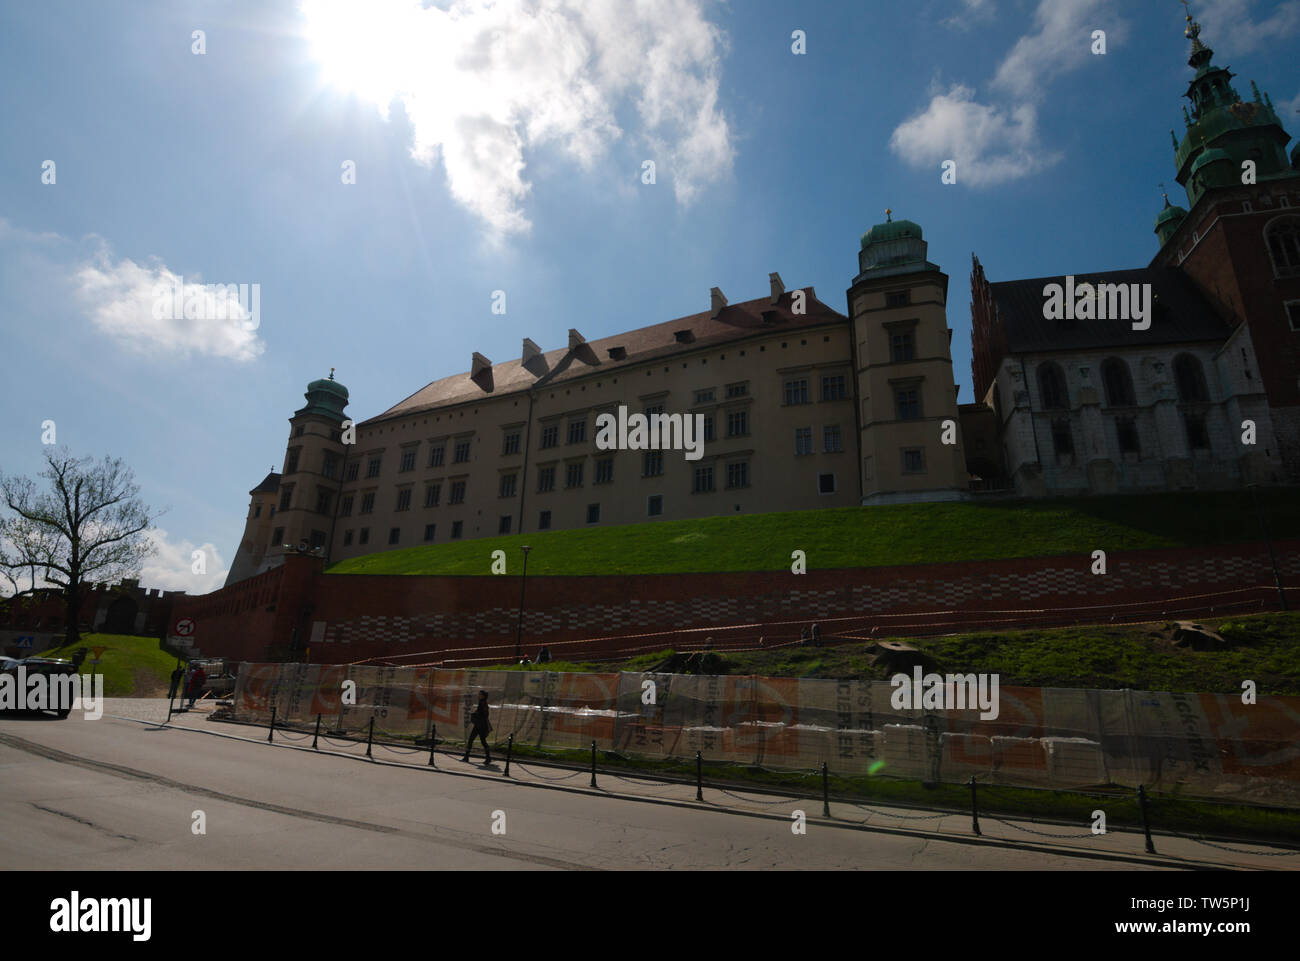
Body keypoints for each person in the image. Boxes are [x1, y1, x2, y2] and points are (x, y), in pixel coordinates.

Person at [461, 690, 492, 765]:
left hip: (481, 725)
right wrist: (474, 713)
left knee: (482, 741)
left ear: (483, 696)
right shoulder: (481, 702)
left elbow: (485, 714)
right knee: (472, 740)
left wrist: (475, 714)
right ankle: (466, 757)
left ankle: (488, 758)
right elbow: (480, 712)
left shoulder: (483, 703)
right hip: (478, 725)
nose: (478, 695)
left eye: (480, 694)